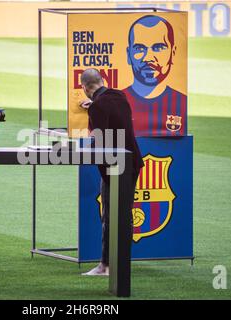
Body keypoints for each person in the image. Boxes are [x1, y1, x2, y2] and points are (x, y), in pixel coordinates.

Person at [79, 68, 143, 276]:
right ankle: (121, 264)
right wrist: (94, 108)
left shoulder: (98, 107)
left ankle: (105, 266)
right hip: (132, 163)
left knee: (110, 216)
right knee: (123, 215)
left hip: (114, 167)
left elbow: (100, 142)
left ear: (85, 87)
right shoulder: (120, 96)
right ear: (102, 80)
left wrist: (93, 111)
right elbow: (111, 113)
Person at [123, 15, 187, 137]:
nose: (148, 58)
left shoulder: (182, 101)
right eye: (140, 48)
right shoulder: (117, 102)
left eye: (158, 48)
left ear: (172, 53)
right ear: (128, 54)